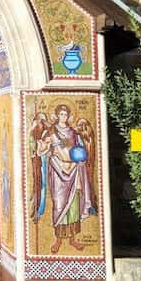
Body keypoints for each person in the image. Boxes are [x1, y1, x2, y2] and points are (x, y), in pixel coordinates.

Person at [44, 103, 98, 253]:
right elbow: (42, 149)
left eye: (65, 114)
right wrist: (45, 146)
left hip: (74, 171)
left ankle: (73, 239)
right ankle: (58, 240)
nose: (63, 117)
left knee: (73, 205)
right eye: (61, 114)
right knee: (59, 204)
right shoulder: (51, 132)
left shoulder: (74, 133)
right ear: (56, 115)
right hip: (57, 170)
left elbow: (81, 149)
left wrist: (81, 159)